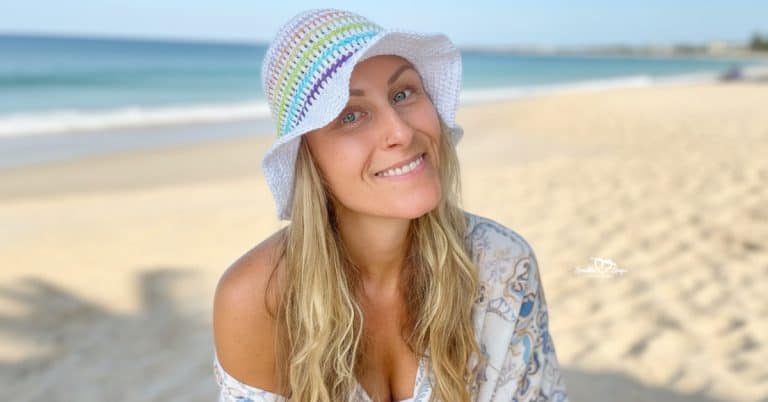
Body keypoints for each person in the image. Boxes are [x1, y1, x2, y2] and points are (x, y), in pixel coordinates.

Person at [212, 8, 568, 402]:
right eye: (350, 115)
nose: (400, 131)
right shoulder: (257, 301)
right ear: (309, 159)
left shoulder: (501, 267)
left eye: (403, 94)